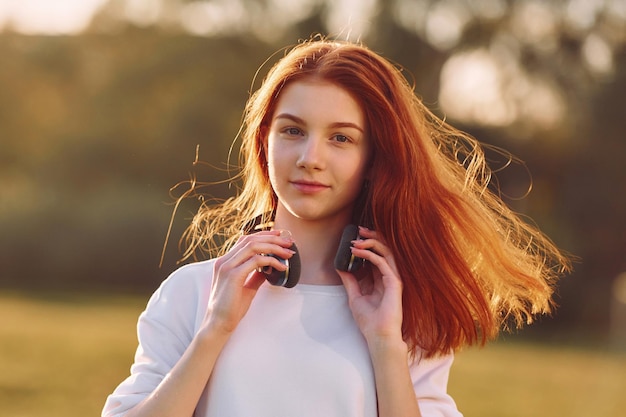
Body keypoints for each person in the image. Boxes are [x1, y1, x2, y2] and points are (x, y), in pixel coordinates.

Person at [102, 37, 571, 417]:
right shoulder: (191, 293)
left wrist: (385, 344)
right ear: (264, 142)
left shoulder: (406, 314)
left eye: (341, 138)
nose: (311, 158)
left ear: (374, 159)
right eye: (292, 130)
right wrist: (215, 330)